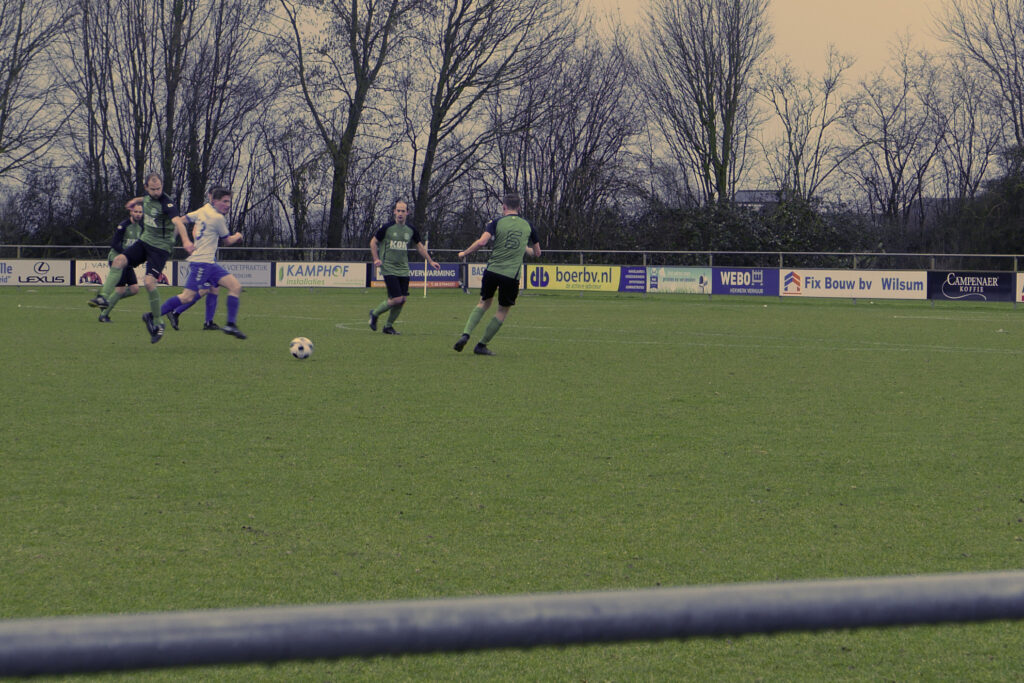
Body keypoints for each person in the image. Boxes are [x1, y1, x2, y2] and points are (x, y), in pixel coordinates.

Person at [89, 173, 193, 343]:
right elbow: (144, 198)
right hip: (145, 242)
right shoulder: (147, 198)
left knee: (149, 283)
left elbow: (178, 222)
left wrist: (186, 240)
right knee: (118, 261)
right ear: (146, 188)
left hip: (160, 248)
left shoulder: (167, 203)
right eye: (153, 189)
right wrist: (134, 201)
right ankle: (103, 297)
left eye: (159, 188)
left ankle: (158, 322)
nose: (156, 192)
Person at [453, 192, 540, 356]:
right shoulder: (528, 225)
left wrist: (464, 253)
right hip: (511, 275)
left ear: (504, 207)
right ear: (519, 208)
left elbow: (482, 242)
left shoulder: (496, 222)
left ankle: (466, 334)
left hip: (492, 270)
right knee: (502, 310)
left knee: (483, 303)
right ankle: (481, 345)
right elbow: (537, 253)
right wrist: (524, 247)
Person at [158, 186, 246, 339]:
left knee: (227, 287)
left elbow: (182, 220)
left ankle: (220, 323)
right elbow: (226, 241)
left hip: (209, 261)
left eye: (229, 202)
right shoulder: (215, 217)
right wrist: (238, 235)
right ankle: (160, 314)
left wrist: (173, 236)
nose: (227, 205)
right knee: (190, 295)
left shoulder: (203, 210)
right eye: (224, 201)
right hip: (202, 260)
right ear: (213, 199)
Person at [368, 200, 440, 334]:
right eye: (398, 211)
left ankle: (388, 326)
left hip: (403, 269)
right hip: (388, 267)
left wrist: (430, 261)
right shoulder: (387, 228)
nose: (400, 213)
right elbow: (373, 242)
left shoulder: (411, 230)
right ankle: (375, 313)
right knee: (396, 299)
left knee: (402, 300)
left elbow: (419, 246)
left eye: (403, 211)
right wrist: (376, 258)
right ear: (394, 212)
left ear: (407, 213)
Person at [96, 204, 144, 322]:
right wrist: (126, 255)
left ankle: (107, 301)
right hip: (117, 259)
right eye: (136, 212)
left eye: (140, 212)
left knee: (134, 289)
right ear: (131, 212)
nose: (138, 214)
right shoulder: (123, 226)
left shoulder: (141, 227)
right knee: (120, 290)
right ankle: (103, 315)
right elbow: (114, 244)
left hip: (127, 261)